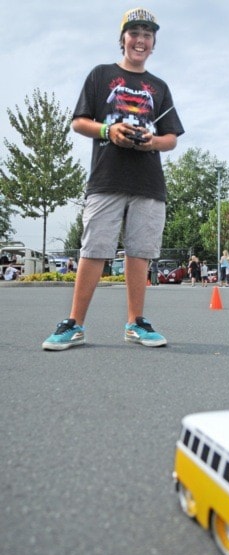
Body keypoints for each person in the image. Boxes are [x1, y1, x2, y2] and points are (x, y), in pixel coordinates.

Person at [42, 7, 184, 351]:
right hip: (106, 178)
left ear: (153, 45)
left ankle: (136, 323)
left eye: (148, 35)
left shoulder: (159, 87)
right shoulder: (100, 75)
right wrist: (110, 129)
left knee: (140, 253)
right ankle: (74, 324)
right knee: (94, 250)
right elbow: (79, 122)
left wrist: (150, 141)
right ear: (122, 39)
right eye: (134, 33)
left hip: (148, 182)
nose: (141, 40)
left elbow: (172, 138)